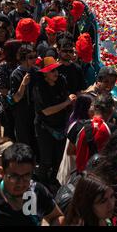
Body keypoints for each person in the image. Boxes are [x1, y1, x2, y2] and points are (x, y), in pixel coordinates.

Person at [0, 143, 64, 226]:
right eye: (14, 176)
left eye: (26, 175)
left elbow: (57, 217)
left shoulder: (36, 191)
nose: (20, 183)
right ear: (1, 172)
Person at [33, 56, 77, 188]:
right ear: (45, 73)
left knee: (59, 157)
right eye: (52, 71)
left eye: (56, 70)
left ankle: (54, 181)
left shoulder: (61, 81)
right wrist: (66, 102)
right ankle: (42, 184)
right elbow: (46, 111)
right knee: (46, 159)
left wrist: (70, 99)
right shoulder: (39, 87)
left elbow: (66, 96)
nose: (56, 73)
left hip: (60, 125)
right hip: (44, 127)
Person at [9, 44, 38, 149]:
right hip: (22, 112)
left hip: (35, 112)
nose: (34, 60)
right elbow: (15, 98)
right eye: (30, 57)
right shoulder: (15, 74)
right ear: (22, 58)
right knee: (24, 142)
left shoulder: (36, 71)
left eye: (35, 56)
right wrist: (23, 84)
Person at [75, 94, 114, 172]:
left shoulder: (80, 125)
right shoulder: (109, 130)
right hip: (95, 176)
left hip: (80, 174)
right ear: (111, 111)